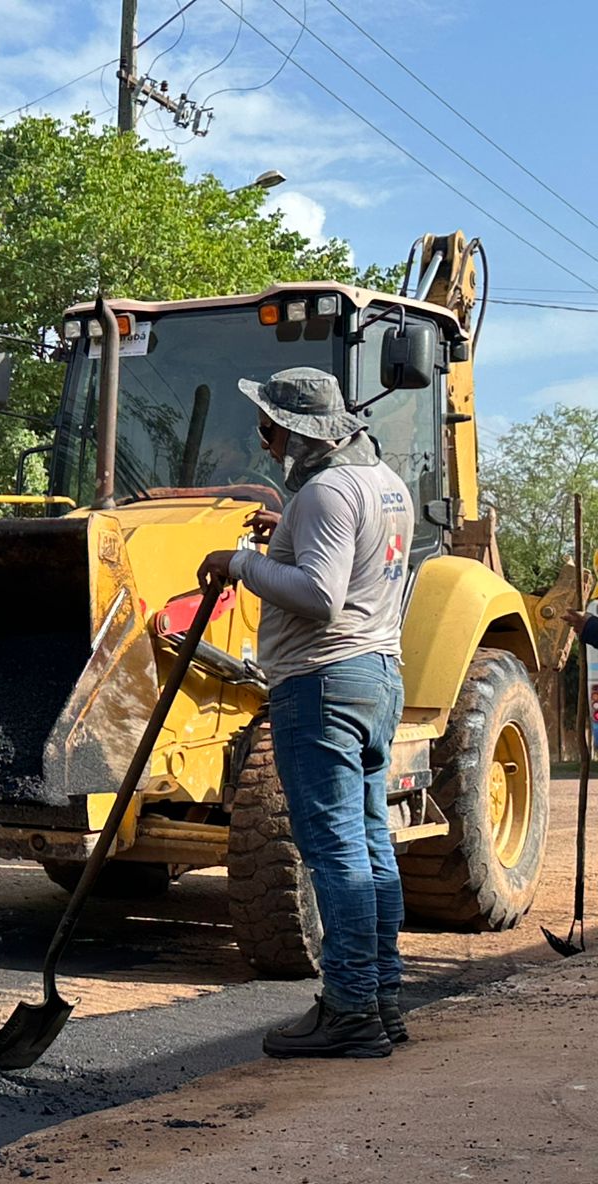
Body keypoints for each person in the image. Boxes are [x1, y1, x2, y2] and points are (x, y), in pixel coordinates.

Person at [197, 367, 414, 1060]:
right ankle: (382, 999)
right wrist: (283, 530)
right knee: (372, 847)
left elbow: (319, 596)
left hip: (321, 684)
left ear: (296, 431)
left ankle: (348, 1009)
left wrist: (239, 562)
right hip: (377, 678)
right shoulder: (384, 483)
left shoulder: (324, 492)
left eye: (269, 429)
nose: (264, 443)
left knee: (335, 853)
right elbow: (346, 559)